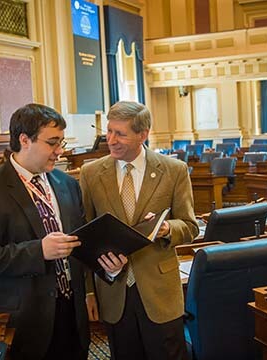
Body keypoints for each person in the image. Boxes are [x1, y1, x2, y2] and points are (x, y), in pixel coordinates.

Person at [0, 104, 124, 360]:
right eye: (52, 143)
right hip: (23, 319)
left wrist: (109, 266)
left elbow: (81, 244)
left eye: (60, 142)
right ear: (24, 140)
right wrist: (39, 251)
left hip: (71, 315)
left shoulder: (68, 184)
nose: (60, 151)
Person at [80, 101, 199, 360]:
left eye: (120, 133)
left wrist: (166, 227)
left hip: (160, 293)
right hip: (113, 293)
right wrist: (90, 291)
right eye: (109, 131)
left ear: (143, 134)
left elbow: (190, 227)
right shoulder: (90, 173)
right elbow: (85, 238)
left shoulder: (173, 170)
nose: (111, 140)